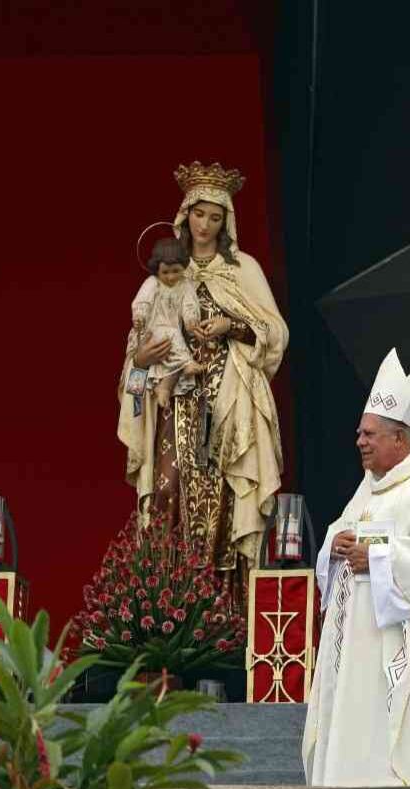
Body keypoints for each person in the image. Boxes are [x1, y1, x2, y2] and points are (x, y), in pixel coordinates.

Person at [302, 348, 410, 786]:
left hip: (400, 651)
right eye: (359, 433)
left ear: (400, 439)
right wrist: (336, 545)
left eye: (370, 434)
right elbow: (340, 537)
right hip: (353, 651)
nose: (359, 441)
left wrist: (377, 557)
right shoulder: (367, 490)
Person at [118, 161, 288, 606]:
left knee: (228, 501)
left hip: (228, 400)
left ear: (226, 221)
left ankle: (223, 615)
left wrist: (232, 326)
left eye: (215, 217)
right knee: (169, 489)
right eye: (199, 215)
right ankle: (168, 609)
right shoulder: (165, 274)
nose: (206, 225)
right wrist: (141, 359)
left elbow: (274, 333)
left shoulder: (242, 270)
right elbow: (135, 358)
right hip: (174, 405)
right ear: (184, 216)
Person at [130, 237, 204, 407]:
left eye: (176, 271)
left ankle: (164, 387)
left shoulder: (186, 286)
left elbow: (190, 307)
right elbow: (134, 407)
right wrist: (139, 363)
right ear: (157, 270)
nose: (171, 277)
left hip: (192, 398)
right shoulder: (152, 284)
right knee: (172, 339)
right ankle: (164, 381)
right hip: (153, 333)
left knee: (175, 347)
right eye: (165, 272)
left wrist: (192, 321)